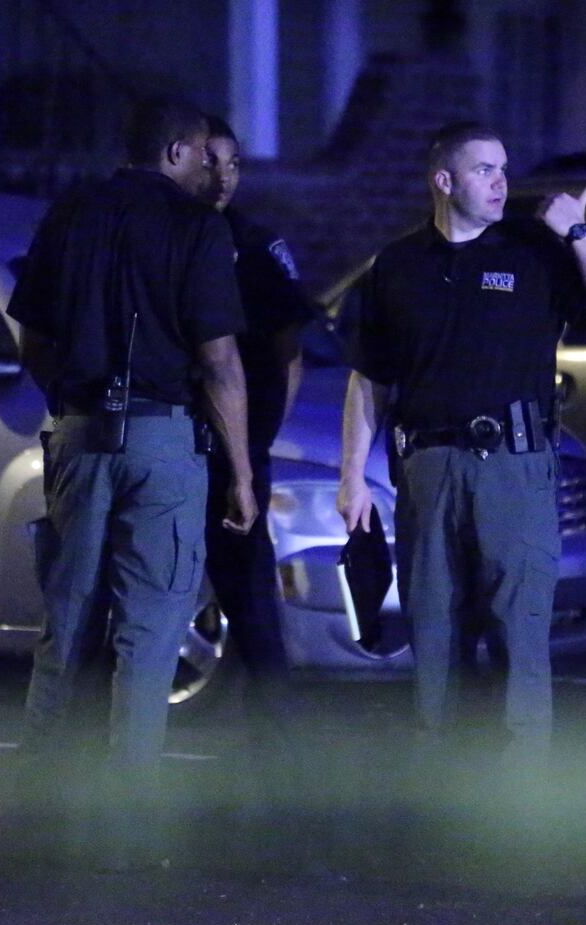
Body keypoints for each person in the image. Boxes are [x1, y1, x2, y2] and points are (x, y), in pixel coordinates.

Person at [336, 121, 586, 770]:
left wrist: (579, 233)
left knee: (516, 633)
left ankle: (517, 792)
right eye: (484, 170)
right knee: (434, 635)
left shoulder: (534, 251)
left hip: (513, 468)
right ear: (444, 181)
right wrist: (351, 477)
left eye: (503, 169)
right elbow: (371, 378)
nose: (501, 182)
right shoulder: (398, 265)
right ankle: (442, 787)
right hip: (428, 469)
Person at [8, 95, 255, 862]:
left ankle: (32, 806)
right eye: (204, 154)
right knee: (149, 634)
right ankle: (128, 817)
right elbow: (219, 360)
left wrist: (68, 399)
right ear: (175, 151)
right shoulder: (197, 226)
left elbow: (31, 333)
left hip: (80, 434)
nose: (212, 168)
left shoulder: (70, 214)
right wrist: (242, 472)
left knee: (67, 622)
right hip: (161, 436)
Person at [201, 116, 313, 716]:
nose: (224, 177)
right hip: (177, 443)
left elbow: (289, 352)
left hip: (236, 452)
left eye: (235, 163)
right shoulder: (167, 238)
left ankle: (275, 733)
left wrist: (257, 438)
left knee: (250, 594)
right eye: (211, 161)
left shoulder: (257, 247)